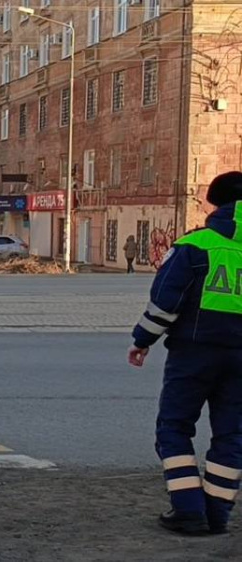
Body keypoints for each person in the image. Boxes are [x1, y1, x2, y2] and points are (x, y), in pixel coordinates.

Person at [128, 171, 242, 536]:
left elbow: (166, 302)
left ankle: (189, 510)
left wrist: (143, 339)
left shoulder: (196, 245)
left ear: (214, 202)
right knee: (232, 435)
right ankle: (218, 515)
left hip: (193, 354)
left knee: (173, 428)